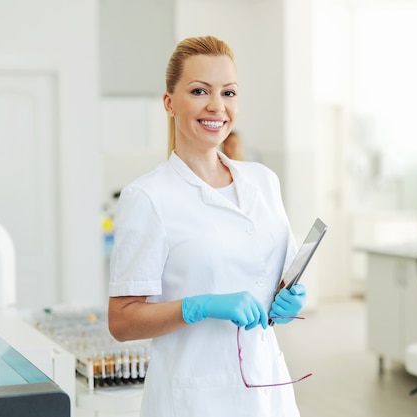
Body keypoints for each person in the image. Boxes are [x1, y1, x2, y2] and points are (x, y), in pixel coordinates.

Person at [107, 35, 307, 417]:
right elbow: (122, 321)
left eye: (229, 93)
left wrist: (289, 297)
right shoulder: (148, 197)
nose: (217, 106)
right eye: (200, 91)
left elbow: (280, 277)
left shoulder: (263, 181)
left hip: (268, 389)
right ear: (169, 103)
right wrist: (197, 306)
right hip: (196, 398)